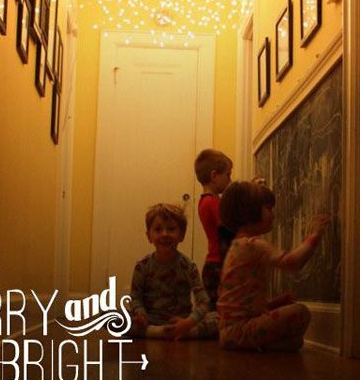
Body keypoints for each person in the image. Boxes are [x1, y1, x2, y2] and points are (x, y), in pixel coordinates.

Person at [217, 180, 329, 351]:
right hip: (242, 330)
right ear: (250, 211)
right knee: (301, 312)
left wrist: (273, 303)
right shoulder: (254, 244)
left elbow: (241, 301)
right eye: (268, 208)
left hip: (228, 332)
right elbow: (293, 263)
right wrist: (315, 234)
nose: (273, 215)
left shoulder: (236, 246)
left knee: (296, 342)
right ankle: (254, 345)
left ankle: (257, 346)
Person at [129, 203, 218, 339]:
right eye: (158, 230)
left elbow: (204, 302)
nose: (165, 234)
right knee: (111, 316)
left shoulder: (188, 266)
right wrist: (140, 314)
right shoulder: (142, 266)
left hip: (182, 322)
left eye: (171, 229)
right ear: (149, 236)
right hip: (150, 321)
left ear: (182, 235)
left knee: (219, 318)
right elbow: (135, 297)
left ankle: (179, 332)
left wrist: (189, 322)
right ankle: (160, 332)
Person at [195, 148, 233, 310]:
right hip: (218, 263)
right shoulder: (211, 202)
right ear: (214, 176)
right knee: (218, 309)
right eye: (228, 175)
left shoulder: (207, 201)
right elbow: (226, 229)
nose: (229, 180)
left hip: (214, 262)